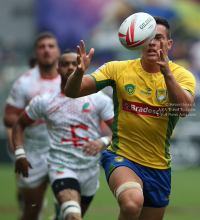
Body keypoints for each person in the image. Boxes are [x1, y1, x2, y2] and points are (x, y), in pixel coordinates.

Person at [64, 16, 196, 220]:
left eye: (158, 38)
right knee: (132, 201)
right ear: (140, 41)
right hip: (122, 157)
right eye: (148, 37)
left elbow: (184, 109)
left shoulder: (182, 76)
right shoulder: (118, 69)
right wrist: (79, 72)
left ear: (169, 44)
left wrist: (167, 73)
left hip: (159, 166)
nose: (152, 42)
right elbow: (73, 91)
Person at [12, 49, 114, 220]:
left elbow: (121, 131)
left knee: (66, 217)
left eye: (75, 63)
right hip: (61, 166)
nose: (70, 67)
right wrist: (20, 153)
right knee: (73, 217)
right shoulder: (44, 100)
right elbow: (19, 124)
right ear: (57, 69)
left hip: (90, 169)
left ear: (83, 66)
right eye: (65, 64)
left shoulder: (99, 99)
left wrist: (102, 141)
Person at [4, 31, 61, 220]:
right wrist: (27, 117)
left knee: (70, 207)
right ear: (35, 52)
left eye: (51, 46)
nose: (46, 50)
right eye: (42, 47)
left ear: (58, 51)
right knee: (32, 209)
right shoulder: (25, 82)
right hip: (33, 153)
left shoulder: (68, 79)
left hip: (63, 151)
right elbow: (8, 117)